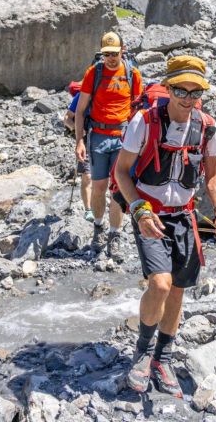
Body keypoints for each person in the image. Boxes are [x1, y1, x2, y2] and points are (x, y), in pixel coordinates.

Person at [114, 55, 216, 397]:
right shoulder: (144, 121)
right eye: (182, 90)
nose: (189, 98)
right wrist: (137, 208)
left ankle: (163, 357)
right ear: (168, 88)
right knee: (161, 284)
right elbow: (122, 171)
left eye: (196, 92)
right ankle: (143, 352)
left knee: (179, 287)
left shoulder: (207, 126)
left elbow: (213, 175)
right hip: (149, 213)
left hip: (185, 215)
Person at [75, 32, 142, 261]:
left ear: (123, 50)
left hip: (123, 136)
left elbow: (139, 110)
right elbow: (80, 110)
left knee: (118, 189)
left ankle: (114, 235)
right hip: (98, 137)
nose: (111, 58)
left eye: (114, 54)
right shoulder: (94, 73)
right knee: (98, 187)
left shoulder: (132, 74)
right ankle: (98, 226)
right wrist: (79, 141)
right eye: (107, 54)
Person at [63, 81, 94, 222]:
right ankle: (88, 210)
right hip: (86, 140)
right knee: (87, 175)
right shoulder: (82, 95)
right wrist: (79, 132)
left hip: (104, 137)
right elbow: (67, 118)